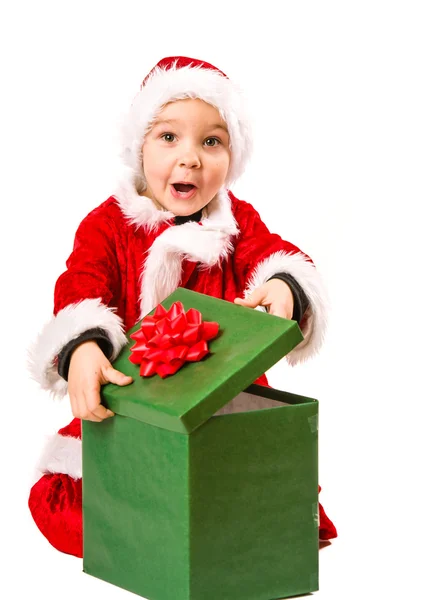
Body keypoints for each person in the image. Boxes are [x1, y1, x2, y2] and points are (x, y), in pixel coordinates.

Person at [27, 56, 337, 558]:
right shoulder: (108, 226)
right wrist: (82, 346)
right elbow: (81, 286)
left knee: (273, 492)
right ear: (139, 146)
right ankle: (170, 528)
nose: (190, 158)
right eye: (169, 137)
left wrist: (285, 284)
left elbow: (277, 254)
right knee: (59, 505)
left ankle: (200, 527)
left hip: (221, 408)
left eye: (211, 141)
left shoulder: (236, 225)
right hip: (129, 410)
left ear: (231, 156)